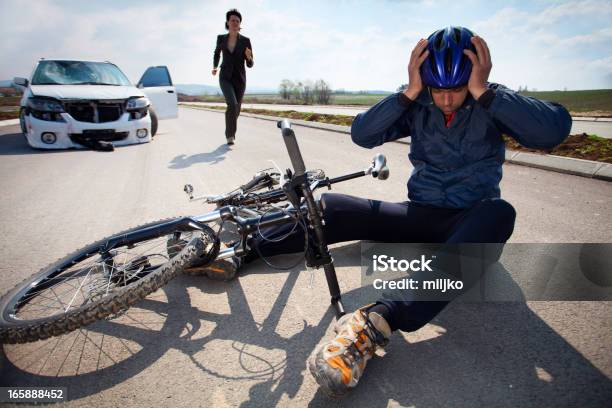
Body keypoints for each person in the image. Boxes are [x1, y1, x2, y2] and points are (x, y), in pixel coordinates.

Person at [201, 26, 572, 396]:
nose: (446, 100)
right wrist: (409, 93)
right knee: (336, 206)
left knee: (500, 214)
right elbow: (362, 134)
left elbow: (552, 131)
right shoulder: (420, 101)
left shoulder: (491, 100)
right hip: (420, 215)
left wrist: (484, 93)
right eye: (437, 89)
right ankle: (243, 249)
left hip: (471, 223)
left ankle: (376, 321)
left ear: (475, 77)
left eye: (457, 89)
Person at [212, 9, 254, 145]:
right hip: (225, 76)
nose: (235, 22)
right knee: (232, 103)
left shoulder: (245, 41)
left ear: (240, 24)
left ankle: (229, 125)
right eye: (232, 20)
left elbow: (250, 64)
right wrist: (215, 66)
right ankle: (230, 135)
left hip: (239, 79)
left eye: (237, 21)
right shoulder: (221, 38)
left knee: (236, 109)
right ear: (227, 23)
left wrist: (248, 58)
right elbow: (217, 53)